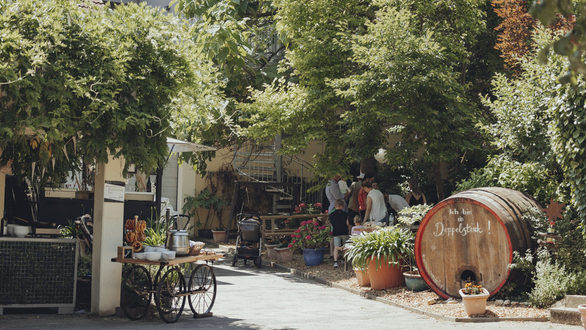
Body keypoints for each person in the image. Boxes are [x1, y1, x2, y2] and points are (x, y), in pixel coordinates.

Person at [329, 199, 349, 268]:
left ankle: (335, 262)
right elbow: (347, 223)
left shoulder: (331, 215)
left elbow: (331, 223)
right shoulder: (345, 214)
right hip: (344, 231)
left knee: (336, 247)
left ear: (335, 206)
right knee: (345, 246)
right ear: (342, 206)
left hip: (336, 232)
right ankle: (344, 260)